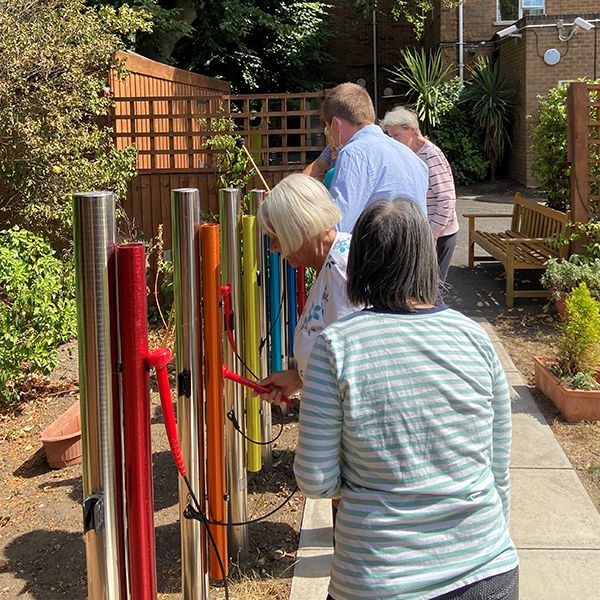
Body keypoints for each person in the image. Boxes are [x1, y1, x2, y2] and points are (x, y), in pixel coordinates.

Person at [294, 198, 519, 600]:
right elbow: (497, 467)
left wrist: (373, 473)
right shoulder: (476, 338)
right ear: (426, 259)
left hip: (379, 575)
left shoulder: (337, 347)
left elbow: (315, 477)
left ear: (359, 262)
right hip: (487, 568)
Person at [255, 173, 358, 398]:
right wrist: (297, 378)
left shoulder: (341, 270)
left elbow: (351, 364)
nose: (273, 247)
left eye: (275, 237)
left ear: (297, 228)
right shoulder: (330, 262)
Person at [322, 82, 428, 232]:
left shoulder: (353, 153)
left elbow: (338, 226)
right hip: (417, 252)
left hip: (376, 253)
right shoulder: (412, 157)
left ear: (336, 124)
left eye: (328, 127)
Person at [381, 106, 459, 283]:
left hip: (439, 235)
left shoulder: (430, 154)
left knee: (432, 290)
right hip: (421, 233)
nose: (392, 141)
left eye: (396, 136)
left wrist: (432, 236)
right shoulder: (408, 153)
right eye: (390, 136)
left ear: (412, 130)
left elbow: (446, 199)